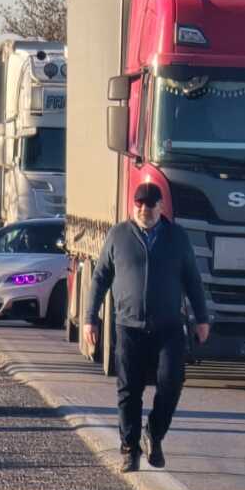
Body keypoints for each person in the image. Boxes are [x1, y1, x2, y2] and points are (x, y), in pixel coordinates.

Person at [85, 182, 211, 473]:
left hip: (168, 326)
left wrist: (202, 318)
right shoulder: (118, 235)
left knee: (171, 382)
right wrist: (91, 318)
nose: (144, 209)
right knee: (129, 389)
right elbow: (100, 278)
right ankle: (130, 449)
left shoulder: (177, 237)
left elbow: (192, 279)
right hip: (129, 326)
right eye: (139, 203)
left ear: (161, 207)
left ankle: (153, 432)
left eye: (150, 204)